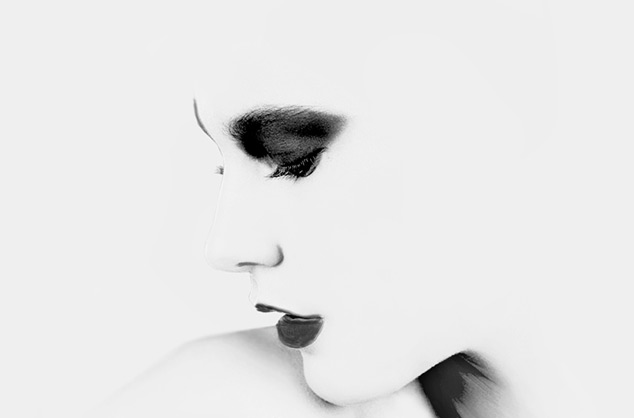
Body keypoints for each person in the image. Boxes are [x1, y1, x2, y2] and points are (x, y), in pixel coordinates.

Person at [92, 1, 633, 417]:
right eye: (221, 169)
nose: (225, 247)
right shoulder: (215, 397)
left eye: (293, 160)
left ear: (496, 121)